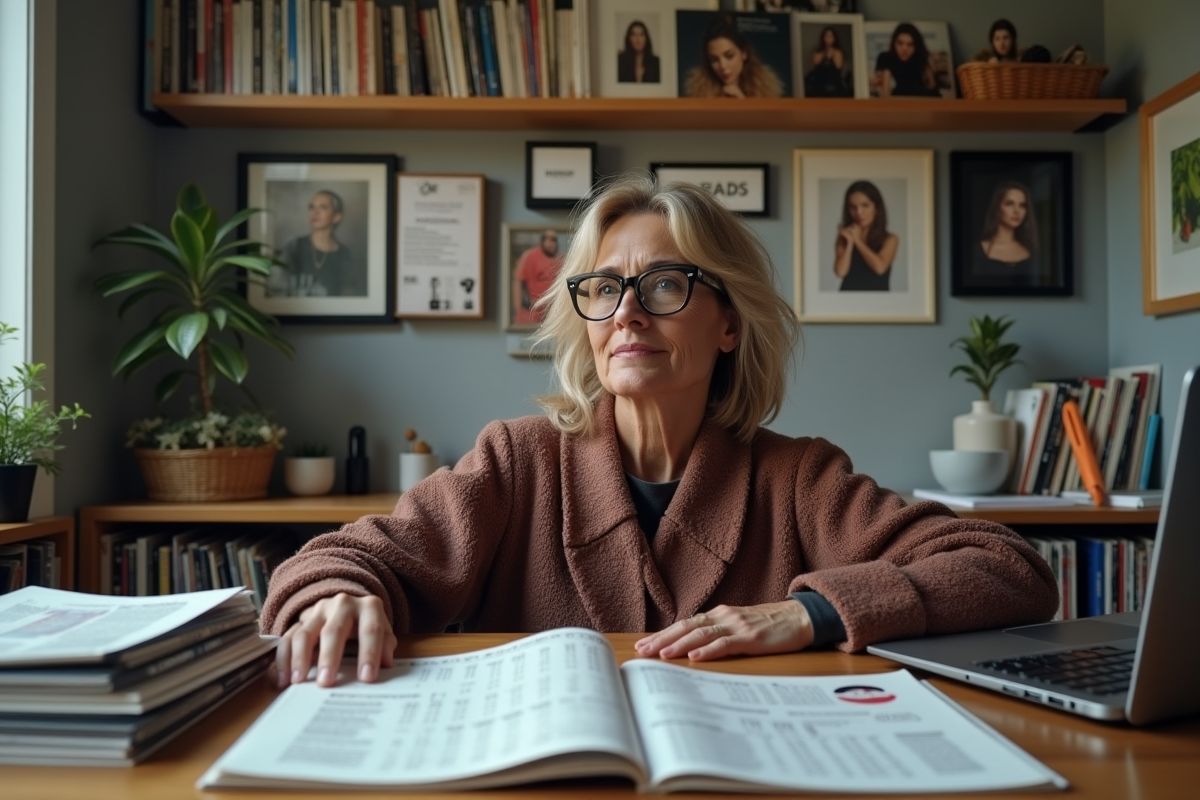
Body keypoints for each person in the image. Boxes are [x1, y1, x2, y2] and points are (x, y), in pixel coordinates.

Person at [265, 173, 1057, 688]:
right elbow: (341, 557)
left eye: (665, 284)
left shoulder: (799, 477)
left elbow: (1005, 567)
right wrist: (338, 597)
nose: (627, 312)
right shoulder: (518, 460)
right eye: (605, 288)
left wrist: (810, 614)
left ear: (728, 325)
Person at [268, 189, 365, 298]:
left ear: (337, 217)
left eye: (323, 207)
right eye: (311, 207)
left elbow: (349, 298)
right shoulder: (293, 247)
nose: (315, 212)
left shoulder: (345, 256)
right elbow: (275, 289)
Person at [684, 16, 784, 99]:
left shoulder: (766, 92)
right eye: (714, 60)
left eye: (729, 56)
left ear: (744, 53)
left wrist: (743, 104)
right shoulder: (698, 94)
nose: (723, 66)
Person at [833, 180, 898, 291]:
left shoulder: (890, 239)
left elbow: (880, 268)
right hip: (848, 298)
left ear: (876, 208)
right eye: (853, 207)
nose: (859, 212)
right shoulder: (844, 237)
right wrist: (850, 243)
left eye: (865, 206)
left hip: (878, 300)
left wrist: (858, 241)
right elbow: (841, 272)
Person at [974, 180, 1038, 274]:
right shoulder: (979, 251)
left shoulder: (1032, 249)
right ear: (997, 208)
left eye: (1022, 205)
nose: (1017, 211)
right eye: (1009, 204)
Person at [872, 22, 939, 98]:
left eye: (910, 44)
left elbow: (933, 88)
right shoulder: (887, 58)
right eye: (900, 43)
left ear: (916, 46)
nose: (904, 49)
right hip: (896, 103)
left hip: (922, 102)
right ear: (894, 43)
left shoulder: (920, 59)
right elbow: (885, 92)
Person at [512, 229, 562, 326]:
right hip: (532, 313)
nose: (550, 243)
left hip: (553, 313)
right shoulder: (530, 257)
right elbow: (518, 282)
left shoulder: (560, 260)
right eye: (547, 239)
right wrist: (519, 308)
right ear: (542, 241)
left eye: (553, 240)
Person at [805, 26, 850, 97]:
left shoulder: (838, 52)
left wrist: (832, 53)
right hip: (819, 82)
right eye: (827, 35)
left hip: (834, 83)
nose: (828, 38)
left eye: (831, 36)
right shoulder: (818, 51)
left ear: (834, 38)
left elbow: (839, 66)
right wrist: (825, 52)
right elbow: (815, 63)